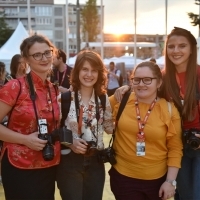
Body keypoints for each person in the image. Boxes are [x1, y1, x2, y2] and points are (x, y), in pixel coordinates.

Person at [115, 27, 199, 200]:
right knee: (183, 195)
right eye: (171, 46)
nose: (176, 51)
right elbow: (145, 87)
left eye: (182, 46)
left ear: (192, 49)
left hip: (197, 145)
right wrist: (127, 88)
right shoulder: (163, 77)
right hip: (175, 144)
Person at [109, 61, 183, 200]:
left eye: (147, 80)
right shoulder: (121, 99)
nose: (141, 84)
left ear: (159, 82)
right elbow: (93, 106)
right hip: (123, 178)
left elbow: (175, 148)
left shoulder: (169, 109)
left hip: (157, 181)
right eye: (136, 80)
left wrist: (170, 182)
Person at [0, 34, 60, 199]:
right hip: (19, 166)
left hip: (48, 164)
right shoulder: (14, 86)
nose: (44, 58)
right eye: (37, 55)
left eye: (47, 52)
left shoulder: (53, 89)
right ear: (26, 59)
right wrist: (25, 140)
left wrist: (124, 89)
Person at [56, 50, 114, 200]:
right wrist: (70, 143)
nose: (89, 74)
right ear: (77, 71)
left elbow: (110, 128)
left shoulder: (103, 99)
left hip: (96, 162)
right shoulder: (64, 99)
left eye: (94, 70)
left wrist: (126, 91)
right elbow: (53, 131)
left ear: (100, 73)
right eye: (85, 69)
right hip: (70, 163)